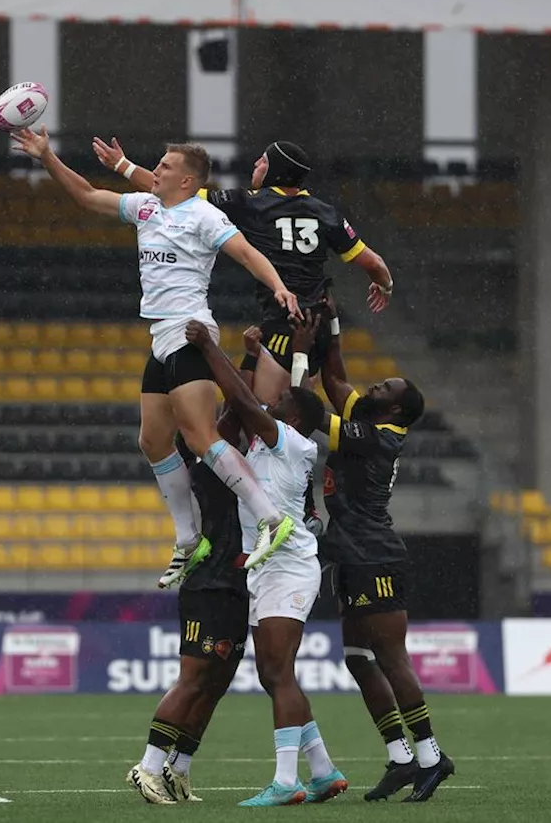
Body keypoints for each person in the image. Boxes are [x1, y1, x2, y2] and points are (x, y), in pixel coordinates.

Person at [10, 126, 302, 588]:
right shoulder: (145, 207)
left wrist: (279, 287)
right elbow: (87, 196)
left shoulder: (204, 216)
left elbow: (246, 253)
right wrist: (46, 155)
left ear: (187, 180)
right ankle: (189, 541)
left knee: (201, 437)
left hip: (191, 332)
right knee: (152, 441)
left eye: (165, 166)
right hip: (160, 337)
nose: (156, 170)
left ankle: (270, 518)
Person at [291, 309, 455, 802]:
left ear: (396, 411)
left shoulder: (379, 439)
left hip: (374, 556)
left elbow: (308, 408)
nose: (374, 389)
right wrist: (331, 325)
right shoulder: (371, 420)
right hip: (351, 554)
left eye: (384, 389)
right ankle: (402, 758)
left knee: (390, 656)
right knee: (359, 659)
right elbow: (335, 377)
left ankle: (431, 756)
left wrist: (298, 350)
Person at [94, 136, 395, 406]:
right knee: (311, 406)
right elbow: (375, 264)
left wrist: (122, 165)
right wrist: (384, 286)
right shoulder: (327, 212)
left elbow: (173, 193)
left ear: (276, 169)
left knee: (264, 418)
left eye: (263, 160)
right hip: (320, 321)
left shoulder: (250, 203)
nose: (256, 163)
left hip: (285, 320)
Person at [183, 320, 347, 807]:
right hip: (268, 566)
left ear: (291, 421)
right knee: (277, 674)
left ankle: (285, 782)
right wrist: (269, 352)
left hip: (289, 566)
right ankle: (322, 771)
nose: (268, 406)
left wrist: (214, 349)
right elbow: (280, 397)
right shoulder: (282, 437)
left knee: (278, 674)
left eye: (278, 408)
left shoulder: (288, 441)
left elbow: (245, 400)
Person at [126, 429, 247, 804]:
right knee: (193, 680)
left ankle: (178, 770)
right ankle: (147, 767)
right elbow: (228, 421)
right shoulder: (206, 466)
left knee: (216, 683)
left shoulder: (232, 463)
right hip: (208, 584)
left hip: (238, 585)